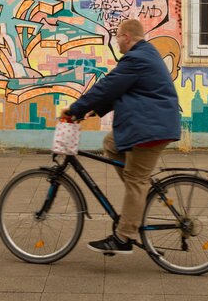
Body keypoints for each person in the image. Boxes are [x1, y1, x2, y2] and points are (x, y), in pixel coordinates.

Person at [62, 18, 182, 254]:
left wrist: (76, 108)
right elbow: (120, 88)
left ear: (126, 37)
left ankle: (124, 237)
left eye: (117, 37)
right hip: (150, 124)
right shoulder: (145, 54)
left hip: (152, 129)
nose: (116, 42)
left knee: (136, 180)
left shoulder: (137, 57)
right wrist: (93, 110)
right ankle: (137, 201)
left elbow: (108, 85)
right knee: (111, 143)